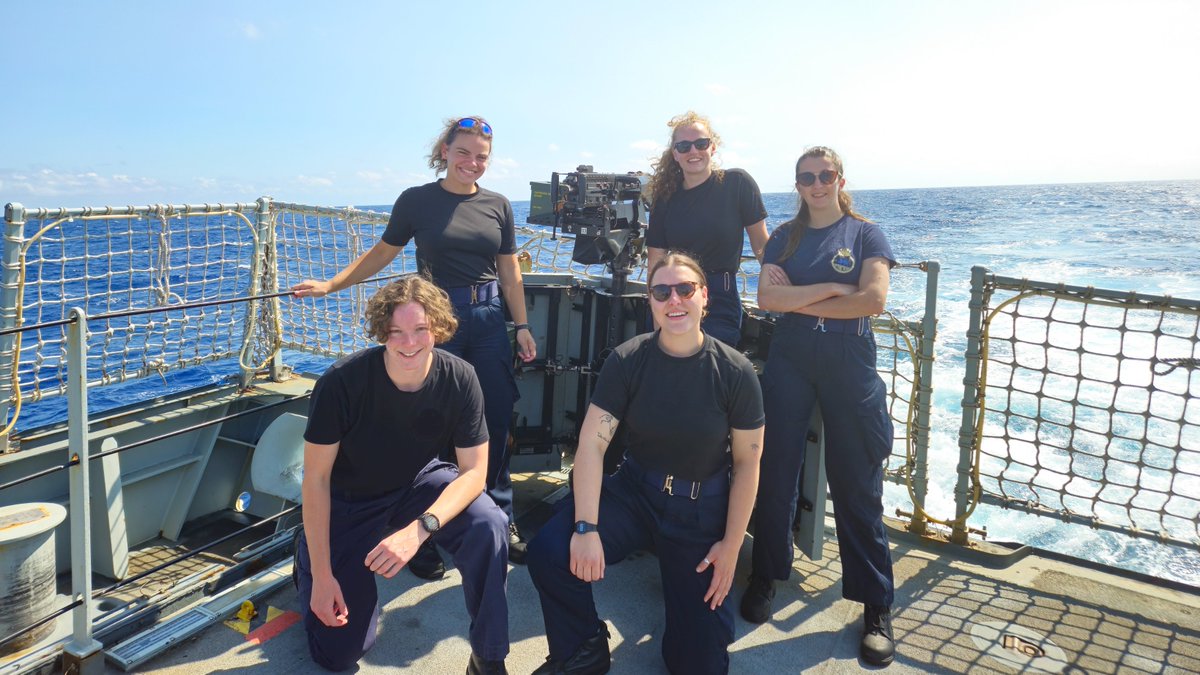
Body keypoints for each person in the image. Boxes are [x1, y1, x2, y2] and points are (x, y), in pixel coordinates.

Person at [293, 116, 536, 571]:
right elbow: (383, 252)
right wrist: (331, 285)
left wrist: (520, 325)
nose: (472, 163)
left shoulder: (498, 205)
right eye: (463, 152)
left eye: (481, 156)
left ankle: (500, 521)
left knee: (496, 421)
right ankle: (422, 536)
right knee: (430, 425)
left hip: (487, 321)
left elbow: (509, 271)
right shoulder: (417, 201)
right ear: (444, 150)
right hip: (436, 323)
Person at [527, 252, 764, 675]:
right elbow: (591, 446)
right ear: (651, 301)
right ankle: (583, 647)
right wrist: (585, 527)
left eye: (685, 289)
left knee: (699, 663)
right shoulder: (627, 360)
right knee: (550, 550)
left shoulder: (734, 371)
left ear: (704, 296)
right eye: (661, 291)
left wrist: (730, 547)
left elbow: (747, 464)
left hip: (699, 510)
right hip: (636, 492)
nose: (674, 299)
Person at [295, 275, 509, 674]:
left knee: (488, 522)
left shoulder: (460, 377)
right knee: (338, 654)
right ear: (381, 332)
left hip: (415, 488)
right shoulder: (342, 384)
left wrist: (422, 528)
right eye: (396, 333)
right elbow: (316, 479)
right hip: (348, 502)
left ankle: (488, 656)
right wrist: (323, 577)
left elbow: (475, 472)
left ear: (438, 329)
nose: (409, 343)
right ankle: (307, 558)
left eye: (420, 330)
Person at [740, 146, 898, 666]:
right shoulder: (784, 237)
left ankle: (875, 604)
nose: (816, 184)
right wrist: (833, 287)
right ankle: (765, 574)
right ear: (797, 183)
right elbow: (768, 300)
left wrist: (801, 294)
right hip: (791, 353)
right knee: (775, 467)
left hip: (849, 355)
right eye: (807, 177)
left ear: (839, 178)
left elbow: (873, 300)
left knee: (856, 480)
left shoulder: (865, 233)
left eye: (825, 175)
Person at [644, 111, 769, 346]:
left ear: (712, 147)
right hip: (674, 296)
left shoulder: (737, 184)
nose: (693, 151)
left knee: (711, 370)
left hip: (720, 298)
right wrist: (657, 317)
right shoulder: (665, 197)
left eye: (701, 143)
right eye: (684, 146)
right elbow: (656, 260)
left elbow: (762, 247)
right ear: (675, 154)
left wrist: (782, 292)